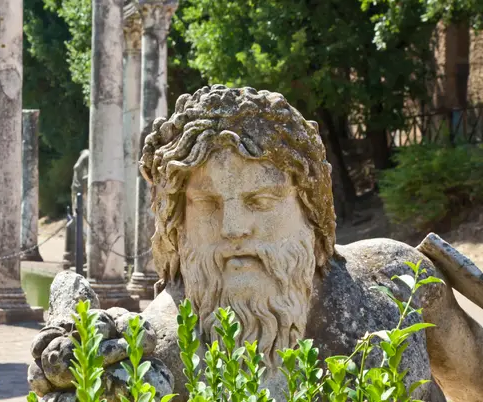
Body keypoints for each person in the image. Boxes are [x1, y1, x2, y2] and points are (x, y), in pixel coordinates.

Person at [30, 85, 483, 401]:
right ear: (177, 223)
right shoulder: (160, 355)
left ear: (310, 210)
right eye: (207, 204)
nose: (233, 227)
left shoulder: (396, 279)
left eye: (261, 200)